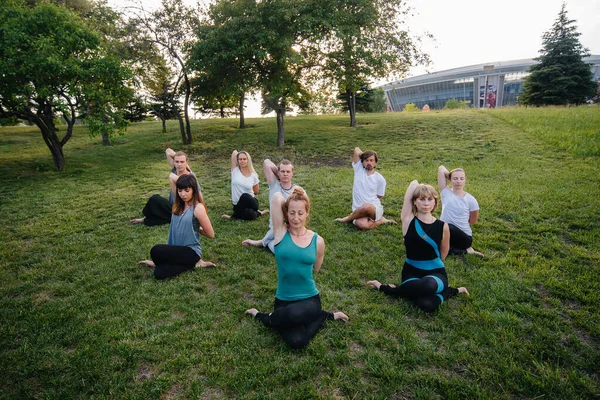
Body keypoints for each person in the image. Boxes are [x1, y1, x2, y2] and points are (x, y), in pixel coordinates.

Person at [245, 188, 348, 349]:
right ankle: (320, 317)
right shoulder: (280, 233)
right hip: (284, 300)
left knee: (292, 329)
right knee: (296, 340)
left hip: (309, 299)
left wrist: (301, 198)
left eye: (300, 213)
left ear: (307, 213)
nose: (295, 218)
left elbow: (315, 269)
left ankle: (266, 317)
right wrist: (296, 193)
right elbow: (277, 197)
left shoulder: (318, 241)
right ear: (286, 213)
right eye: (291, 212)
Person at [367, 180, 469, 312]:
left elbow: (443, 255)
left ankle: (386, 288)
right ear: (414, 201)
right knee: (425, 304)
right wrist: (419, 186)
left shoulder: (442, 226)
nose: (426, 203)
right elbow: (411, 186)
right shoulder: (408, 220)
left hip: (436, 273)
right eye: (421, 199)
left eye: (430, 199)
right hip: (411, 272)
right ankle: (451, 291)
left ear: (435, 203)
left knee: (428, 286)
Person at [138, 174, 215, 279]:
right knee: (159, 273)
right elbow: (171, 177)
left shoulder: (198, 208)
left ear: (194, 190)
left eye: (187, 191)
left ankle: (195, 261)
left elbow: (211, 234)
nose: (183, 194)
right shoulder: (178, 205)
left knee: (156, 250)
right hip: (176, 248)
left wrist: (197, 229)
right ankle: (193, 264)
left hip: (191, 251)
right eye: (180, 190)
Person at [242, 158, 300, 253]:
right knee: (282, 250)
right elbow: (266, 162)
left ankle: (263, 242)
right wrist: (279, 174)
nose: (285, 174)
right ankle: (267, 242)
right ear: (278, 173)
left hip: (292, 224)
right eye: (283, 171)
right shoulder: (274, 185)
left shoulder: (298, 190)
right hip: (276, 226)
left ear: (292, 173)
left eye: (288, 172)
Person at [335, 147, 396, 230]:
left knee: (367, 206)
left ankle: (346, 219)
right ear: (362, 162)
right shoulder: (358, 169)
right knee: (362, 225)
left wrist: (369, 204)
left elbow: (379, 196)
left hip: (374, 209)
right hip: (358, 210)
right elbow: (356, 150)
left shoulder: (380, 179)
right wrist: (365, 155)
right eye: (366, 160)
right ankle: (381, 221)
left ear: (375, 164)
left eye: (371, 160)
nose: (369, 163)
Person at [130, 149, 195, 226]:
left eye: (182, 162)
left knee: (155, 198)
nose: (179, 164)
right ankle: (150, 219)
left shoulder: (190, 177)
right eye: (177, 162)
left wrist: (174, 177)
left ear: (186, 162)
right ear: (174, 162)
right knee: (159, 209)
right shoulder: (176, 171)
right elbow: (168, 151)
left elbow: (182, 194)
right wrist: (178, 158)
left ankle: (145, 219)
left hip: (182, 208)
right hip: (173, 205)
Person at [437, 165, 483, 257]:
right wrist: (450, 175)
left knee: (447, 226)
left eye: (461, 178)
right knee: (433, 248)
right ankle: (465, 251)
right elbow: (441, 168)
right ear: (450, 179)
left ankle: (467, 250)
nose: (458, 181)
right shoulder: (445, 192)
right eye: (455, 178)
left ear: (465, 180)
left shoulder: (471, 200)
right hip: (446, 235)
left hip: (464, 238)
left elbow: (473, 221)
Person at [222, 150, 268, 220]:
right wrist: (241, 153)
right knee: (250, 215)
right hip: (237, 204)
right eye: (240, 159)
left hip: (251, 203)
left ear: (248, 160)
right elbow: (234, 152)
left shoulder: (253, 175)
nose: (242, 161)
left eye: (244, 159)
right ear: (237, 160)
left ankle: (231, 217)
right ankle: (260, 213)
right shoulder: (235, 170)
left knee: (245, 196)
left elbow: (256, 191)